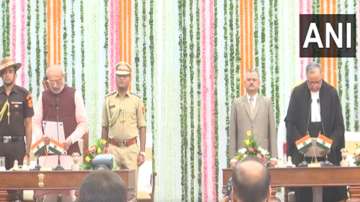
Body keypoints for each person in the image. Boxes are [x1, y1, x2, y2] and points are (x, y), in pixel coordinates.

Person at [285, 63, 347, 202]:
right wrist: (302, 143)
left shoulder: (331, 92)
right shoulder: (297, 92)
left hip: (327, 145)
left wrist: (329, 144)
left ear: (322, 77)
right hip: (303, 145)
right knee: (304, 191)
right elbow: (290, 122)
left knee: (330, 191)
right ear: (306, 79)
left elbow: (339, 125)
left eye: (318, 82)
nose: (314, 86)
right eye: (311, 82)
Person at [32, 64, 88, 202]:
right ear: (47, 81)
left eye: (58, 80)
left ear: (64, 77)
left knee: (69, 193)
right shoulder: (43, 96)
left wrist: (71, 139)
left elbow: (84, 123)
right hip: (48, 153)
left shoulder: (75, 94)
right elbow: (35, 122)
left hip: (70, 152)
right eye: (52, 81)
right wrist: (41, 136)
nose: (55, 85)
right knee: (49, 193)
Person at [102, 62, 146, 200]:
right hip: (113, 148)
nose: (122, 79)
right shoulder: (108, 100)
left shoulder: (136, 101)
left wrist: (142, 151)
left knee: (131, 190)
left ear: (130, 78)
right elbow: (104, 126)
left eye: (125, 76)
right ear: (115, 78)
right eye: (119, 76)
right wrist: (104, 147)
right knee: (111, 188)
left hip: (131, 149)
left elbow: (142, 126)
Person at [0, 56, 33, 201]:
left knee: (19, 186)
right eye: (4, 72)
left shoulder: (25, 94)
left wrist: (28, 151)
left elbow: (29, 124)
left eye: (10, 71)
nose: (7, 75)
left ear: (15, 74)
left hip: (18, 145)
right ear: (1, 75)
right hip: (0, 145)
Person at [229, 70, 277, 158]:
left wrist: (274, 156)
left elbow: (272, 131)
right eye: (248, 80)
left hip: (263, 155)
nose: (251, 82)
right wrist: (232, 158)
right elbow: (232, 133)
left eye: (254, 80)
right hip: (242, 156)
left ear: (259, 83)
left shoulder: (267, 102)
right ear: (244, 83)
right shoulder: (237, 103)